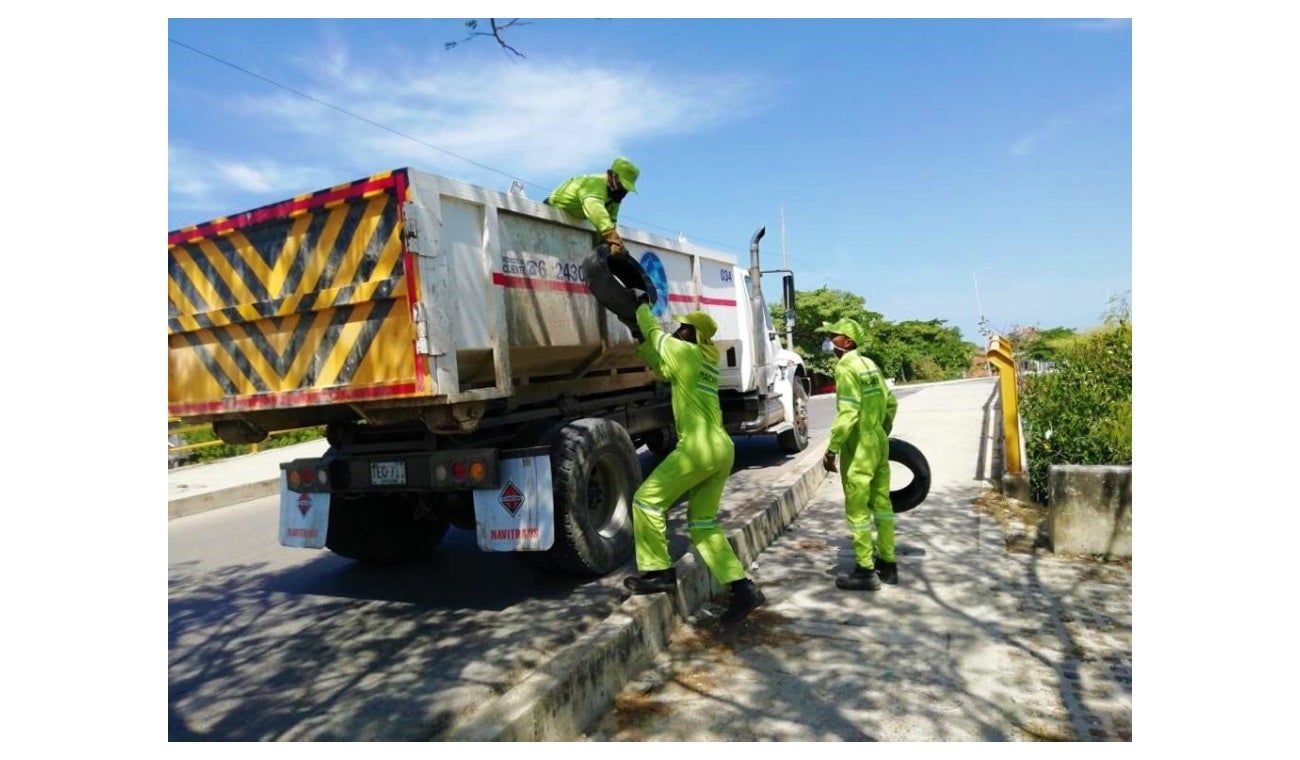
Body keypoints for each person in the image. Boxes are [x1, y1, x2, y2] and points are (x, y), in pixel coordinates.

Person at [622, 300, 764, 624]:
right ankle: (743, 589)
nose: (677, 329)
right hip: (722, 448)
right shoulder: (704, 361)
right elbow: (661, 367)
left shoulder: (685, 352)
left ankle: (658, 571)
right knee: (702, 524)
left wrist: (639, 305)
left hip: (698, 447)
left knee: (646, 502)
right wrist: (642, 343)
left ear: (692, 333)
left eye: (683, 326)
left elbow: (655, 333)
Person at [818, 318, 900, 590]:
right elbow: (891, 402)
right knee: (883, 505)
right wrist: (880, 431)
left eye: (835, 336)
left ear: (848, 342)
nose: (830, 340)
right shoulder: (869, 364)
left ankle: (865, 570)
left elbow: (849, 412)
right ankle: (888, 564)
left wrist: (832, 449)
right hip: (877, 440)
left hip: (860, 445)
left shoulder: (846, 368)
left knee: (857, 507)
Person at [544, 157, 640, 256]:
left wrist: (608, 244)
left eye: (626, 188)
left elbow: (611, 219)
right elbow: (596, 211)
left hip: (574, 221)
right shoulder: (595, 183)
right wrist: (614, 239)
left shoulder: (615, 195)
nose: (624, 190)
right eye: (622, 185)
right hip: (552, 213)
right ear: (613, 176)